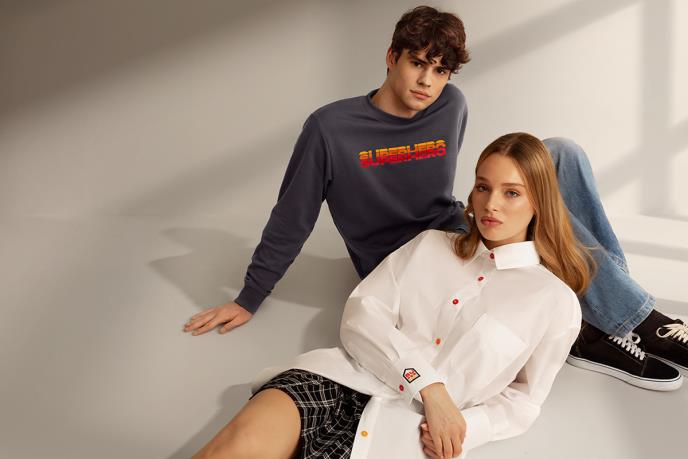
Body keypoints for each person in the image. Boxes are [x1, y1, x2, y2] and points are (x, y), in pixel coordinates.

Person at [183, 5, 688, 389]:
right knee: (531, 212)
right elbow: (291, 217)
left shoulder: (451, 106)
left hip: (456, 228)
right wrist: (250, 296)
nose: (428, 81)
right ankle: (617, 327)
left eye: (441, 71)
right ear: (392, 58)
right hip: (405, 260)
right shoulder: (330, 129)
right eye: (418, 64)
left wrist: (495, 204)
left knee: (561, 153)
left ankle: (621, 309)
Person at [190, 132, 602, 459]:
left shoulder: (554, 302)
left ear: (538, 202)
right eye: (483, 187)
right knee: (233, 448)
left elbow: (523, 401)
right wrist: (429, 387)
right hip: (337, 381)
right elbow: (362, 315)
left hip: (408, 433)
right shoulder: (429, 246)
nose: (491, 204)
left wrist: (465, 429)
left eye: (511, 192)